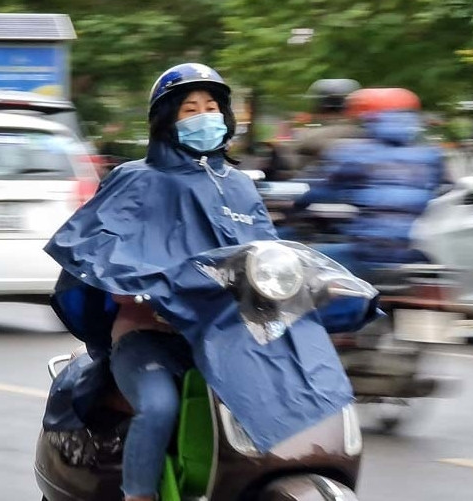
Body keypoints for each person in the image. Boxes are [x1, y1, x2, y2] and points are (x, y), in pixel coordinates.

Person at [43, 63, 278, 501]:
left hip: (226, 339)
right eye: (190, 109)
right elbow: (97, 251)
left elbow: (269, 255)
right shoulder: (136, 180)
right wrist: (140, 288)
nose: (204, 115)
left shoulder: (241, 187)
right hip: (149, 336)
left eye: (211, 106)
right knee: (158, 407)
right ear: (167, 119)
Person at [294, 87, 449, 281]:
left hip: (369, 251)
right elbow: (445, 189)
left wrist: (296, 206)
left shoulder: (354, 152)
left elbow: (322, 190)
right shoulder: (431, 155)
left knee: (301, 261)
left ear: (369, 119)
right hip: (415, 250)